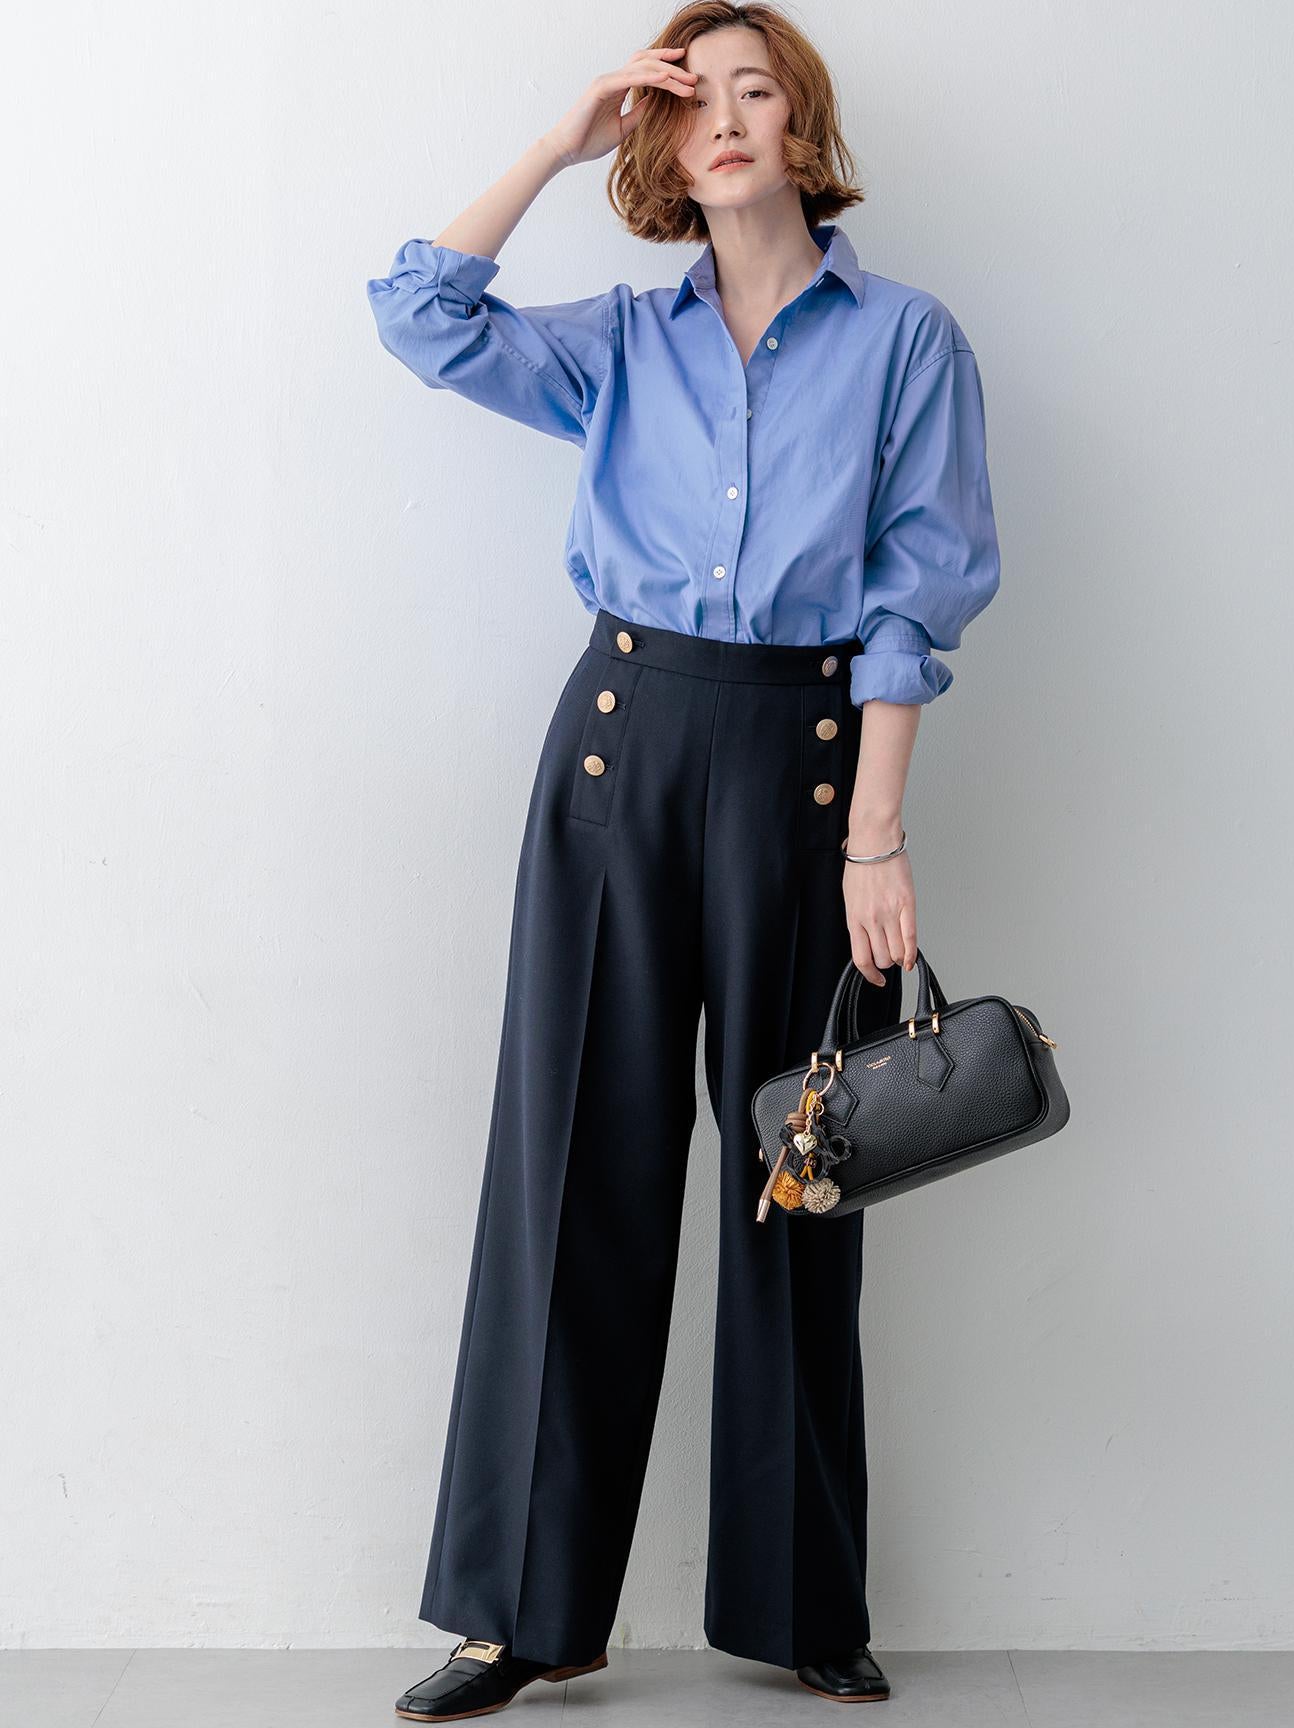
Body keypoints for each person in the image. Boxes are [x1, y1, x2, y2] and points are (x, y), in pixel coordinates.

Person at [365, 2, 1000, 1714]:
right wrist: (560, 140)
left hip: (808, 767)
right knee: (576, 1168)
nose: (722, 117)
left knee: (801, 1167)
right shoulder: (620, 345)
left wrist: (877, 834)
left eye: (753, 88)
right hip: (616, 749)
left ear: (802, 124)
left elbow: (917, 595)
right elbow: (420, 315)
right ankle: (523, 1610)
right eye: (688, 97)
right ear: (658, 142)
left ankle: (800, 1603)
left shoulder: (907, 341)